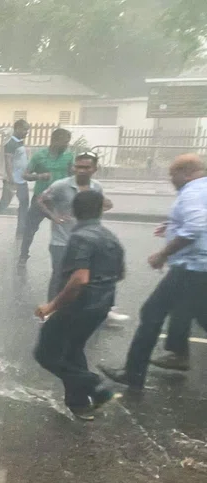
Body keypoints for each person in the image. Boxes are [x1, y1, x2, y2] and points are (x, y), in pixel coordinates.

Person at [100, 154, 207, 392]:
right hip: (199, 268)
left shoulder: (191, 192)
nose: (171, 180)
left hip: (191, 266)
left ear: (187, 172)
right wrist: (173, 226)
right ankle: (139, 370)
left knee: (151, 313)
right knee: (201, 315)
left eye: (173, 175)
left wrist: (163, 254)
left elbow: (196, 228)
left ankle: (133, 373)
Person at [34, 190, 122, 419]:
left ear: (74, 211)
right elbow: (119, 273)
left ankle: (98, 386)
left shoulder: (80, 237)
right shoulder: (110, 236)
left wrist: (52, 306)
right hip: (102, 306)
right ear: (100, 210)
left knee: (45, 354)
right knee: (72, 351)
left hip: (79, 306)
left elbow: (79, 279)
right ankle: (79, 403)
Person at [37, 152, 110, 301]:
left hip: (86, 241)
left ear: (95, 169)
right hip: (61, 241)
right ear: (73, 168)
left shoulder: (96, 187)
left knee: (84, 276)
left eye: (86, 167)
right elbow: (41, 200)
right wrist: (54, 217)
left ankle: (77, 309)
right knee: (59, 275)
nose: (81, 170)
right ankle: (50, 309)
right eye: (78, 167)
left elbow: (103, 204)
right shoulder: (61, 185)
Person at [19, 128, 73, 265]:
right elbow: (25, 175)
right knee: (30, 229)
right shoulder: (40, 156)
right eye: (64, 142)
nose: (67, 145)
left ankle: (67, 259)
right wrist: (39, 176)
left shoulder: (69, 156)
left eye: (68, 142)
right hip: (41, 199)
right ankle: (23, 255)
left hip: (60, 201)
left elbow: (73, 174)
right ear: (55, 140)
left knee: (66, 229)